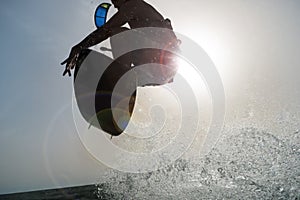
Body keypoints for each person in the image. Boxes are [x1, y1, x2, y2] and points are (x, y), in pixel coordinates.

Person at [61, 0, 179, 77]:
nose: (115, 5)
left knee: (117, 32)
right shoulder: (140, 10)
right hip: (164, 69)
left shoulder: (134, 5)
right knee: (121, 36)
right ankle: (130, 81)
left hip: (162, 61)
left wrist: (78, 47)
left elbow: (106, 30)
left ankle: (123, 76)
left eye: (115, 0)